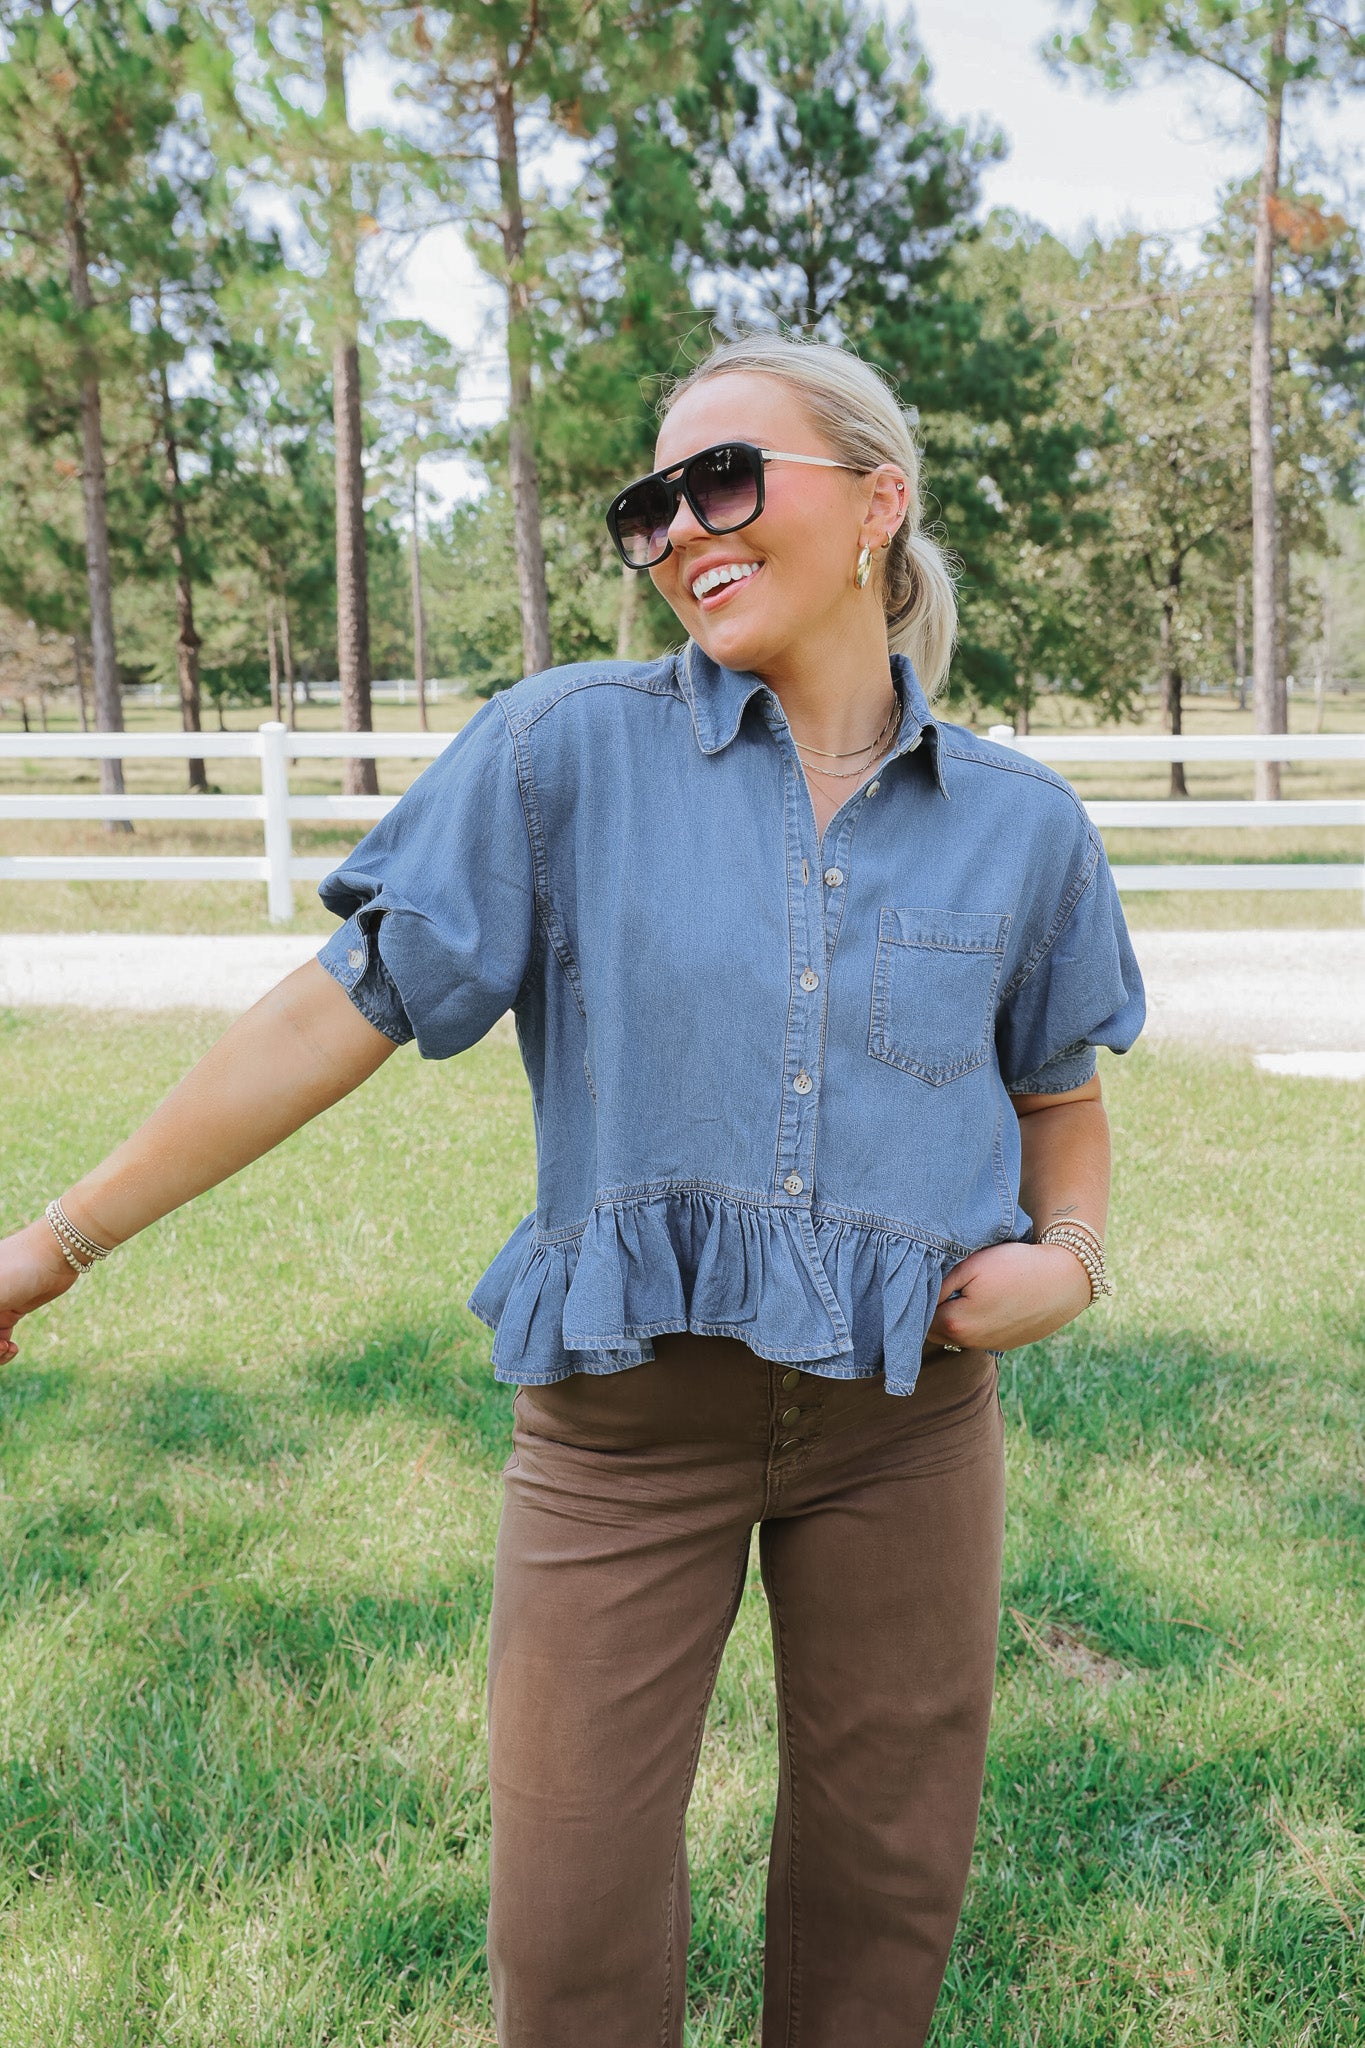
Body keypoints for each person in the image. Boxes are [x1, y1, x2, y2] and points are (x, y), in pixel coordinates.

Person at [0, 332, 1145, 2046]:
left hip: (910, 1427)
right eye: (653, 504)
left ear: (874, 506)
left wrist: (1070, 1258)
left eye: (727, 479)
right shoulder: (563, 754)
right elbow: (337, 1008)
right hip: (624, 1430)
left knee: (886, 1888)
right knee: (572, 1919)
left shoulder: (1020, 824)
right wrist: (55, 1244)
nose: (685, 527)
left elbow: (1061, 1105)